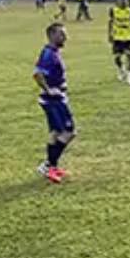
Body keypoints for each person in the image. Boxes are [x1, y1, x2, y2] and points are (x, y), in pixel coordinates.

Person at [33, 22, 73, 183]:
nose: (65, 37)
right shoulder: (49, 54)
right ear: (51, 36)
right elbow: (37, 74)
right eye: (61, 34)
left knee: (56, 132)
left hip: (55, 98)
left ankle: (51, 167)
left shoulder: (53, 52)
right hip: (53, 100)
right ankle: (49, 165)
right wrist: (49, 90)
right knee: (69, 131)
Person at [108, 0, 130, 85]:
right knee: (117, 57)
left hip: (129, 36)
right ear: (117, 2)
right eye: (121, 0)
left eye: (125, 0)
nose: (123, 2)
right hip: (117, 37)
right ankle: (121, 70)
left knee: (129, 56)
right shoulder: (113, 11)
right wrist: (110, 34)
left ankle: (129, 77)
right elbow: (110, 22)